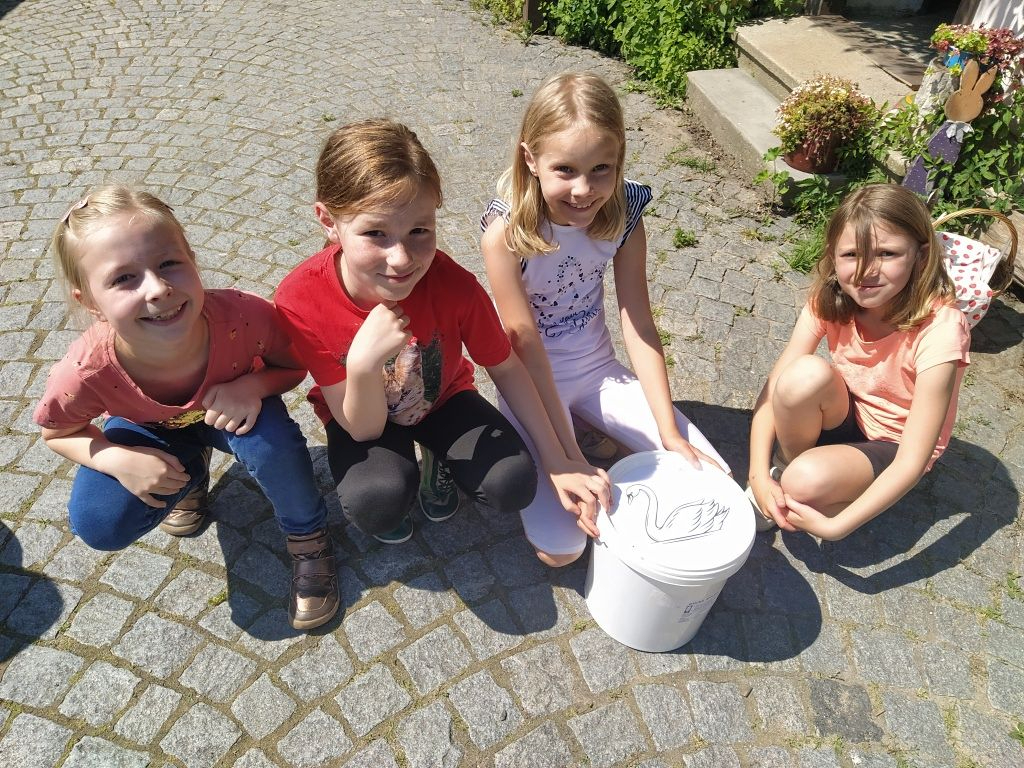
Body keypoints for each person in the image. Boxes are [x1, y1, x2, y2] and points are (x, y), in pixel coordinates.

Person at [274, 118, 609, 551]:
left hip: (441, 398)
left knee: (512, 483)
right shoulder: (301, 299)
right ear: (328, 221)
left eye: (419, 230)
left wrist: (557, 459)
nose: (401, 259)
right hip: (363, 416)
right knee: (377, 501)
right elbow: (364, 429)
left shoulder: (453, 285)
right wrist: (363, 363)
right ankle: (400, 480)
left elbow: (506, 367)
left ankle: (437, 457)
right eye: (375, 233)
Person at [34, 185, 338, 631]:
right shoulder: (86, 370)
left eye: (168, 264)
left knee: (272, 442)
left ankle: (308, 535)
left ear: (192, 259)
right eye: (123, 278)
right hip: (150, 430)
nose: (158, 289)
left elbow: (294, 367)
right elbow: (58, 432)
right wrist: (116, 459)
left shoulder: (244, 316)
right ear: (91, 302)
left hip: (234, 411)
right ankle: (188, 474)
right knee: (99, 521)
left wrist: (252, 385)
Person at [481, 72, 729, 566]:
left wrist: (668, 430)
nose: (583, 189)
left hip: (598, 369)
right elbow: (525, 346)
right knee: (562, 550)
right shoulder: (506, 233)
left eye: (601, 169)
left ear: (619, 160)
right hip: (532, 383)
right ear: (530, 159)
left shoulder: (625, 212)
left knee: (713, 481)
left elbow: (637, 320)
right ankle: (579, 432)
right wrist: (566, 456)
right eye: (565, 170)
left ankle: (593, 426)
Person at [746, 183, 970, 540]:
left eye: (886, 253)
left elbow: (912, 460)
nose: (866, 271)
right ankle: (786, 466)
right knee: (802, 375)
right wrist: (758, 473)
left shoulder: (940, 329)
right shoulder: (830, 298)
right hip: (849, 411)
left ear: (921, 256)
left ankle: (822, 487)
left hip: (894, 443)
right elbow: (774, 390)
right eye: (851, 254)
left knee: (803, 484)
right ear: (833, 256)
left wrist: (836, 527)